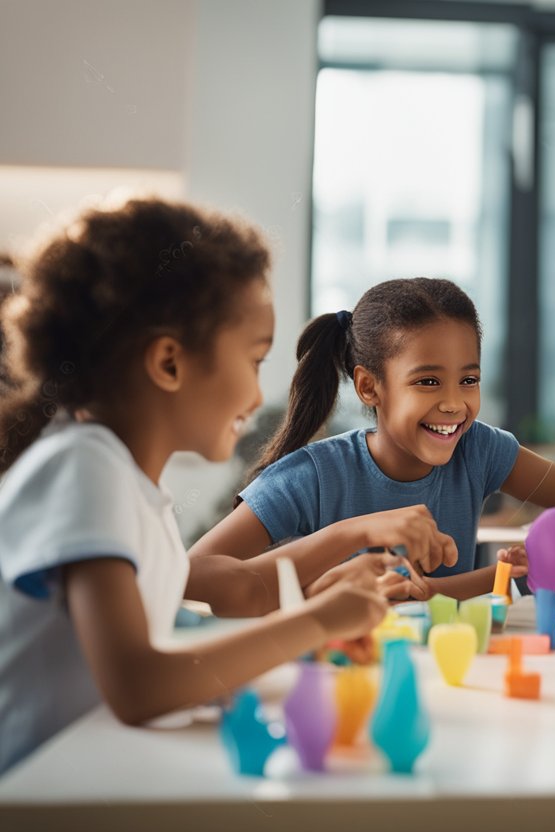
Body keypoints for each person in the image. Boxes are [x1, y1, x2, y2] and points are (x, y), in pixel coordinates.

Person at [0, 198, 389, 774]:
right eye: (255, 359)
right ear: (169, 363)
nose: (259, 396)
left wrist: (321, 597)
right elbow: (137, 684)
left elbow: (241, 586)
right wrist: (317, 621)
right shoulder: (85, 472)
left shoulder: (128, 484)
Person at [190, 278, 555, 602]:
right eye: (427, 382)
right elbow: (193, 575)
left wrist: (509, 572)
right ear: (369, 387)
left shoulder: (479, 449)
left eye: (468, 380)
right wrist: (354, 532)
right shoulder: (314, 475)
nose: (455, 404)